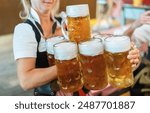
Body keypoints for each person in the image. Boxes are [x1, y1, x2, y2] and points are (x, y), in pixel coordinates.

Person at [13, 0, 140, 96]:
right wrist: (70, 66)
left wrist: (125, 59)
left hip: (82, 93)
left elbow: (93, 52)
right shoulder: (25, 30)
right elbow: (26, 81)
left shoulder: (65, 22)